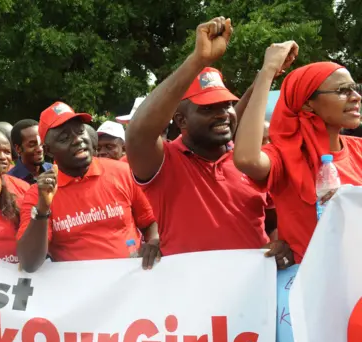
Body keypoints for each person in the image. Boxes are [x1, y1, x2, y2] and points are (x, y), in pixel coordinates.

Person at [125, 17, 293, 268]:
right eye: (208, 108)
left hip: (254, 296)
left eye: (226, 104)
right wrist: (198, 59)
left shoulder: (250, 161)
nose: (223, 113)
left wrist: (279, 245)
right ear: (181, 120)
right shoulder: (163, 162)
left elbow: (272, 223)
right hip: (192, 299)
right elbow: (138, 133)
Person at [233, 41, 362, 264]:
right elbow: (246, 158)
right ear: (307, 104)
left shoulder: (358, 149)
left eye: (354, 88)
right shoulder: (284, 156)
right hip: (315, 288)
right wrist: (267, 72)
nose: (356, 96)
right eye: (342, 91)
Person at [17, 101, 160, 273]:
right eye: (64, 138)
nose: (77, 140)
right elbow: (29, 262)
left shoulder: (123, 172)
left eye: (79, 131)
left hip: (130, 287)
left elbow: (150, 221)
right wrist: (42, 209)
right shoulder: (37, 195)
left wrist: (153, 242)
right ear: (48, 150)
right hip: (81, 295)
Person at [7, 119, 52, 184]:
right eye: (32, 145)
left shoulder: (52, 171)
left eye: (41, 142)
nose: (40, 149)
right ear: (18, 149)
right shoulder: (10, 181)